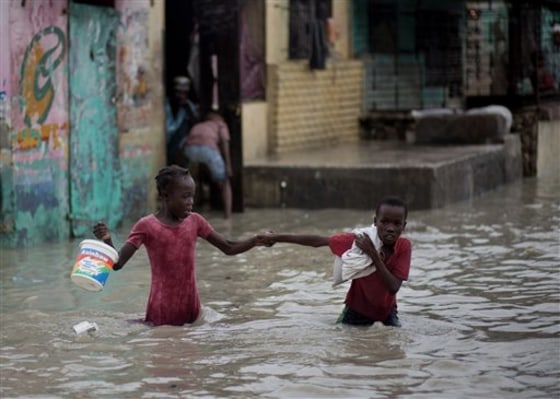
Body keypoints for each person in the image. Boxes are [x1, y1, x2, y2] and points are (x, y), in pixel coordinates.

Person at [92, 165, 270, 327]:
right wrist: (107, 239)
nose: (190, 201)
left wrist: (255, 241)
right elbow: (117, 264)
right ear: (165, 195)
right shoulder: (146, 226)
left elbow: (228, 247)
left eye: (192, 196)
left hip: (192, 312)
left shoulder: (196, 221)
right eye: (185, 196)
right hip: (161, 316)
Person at [260, 196, 411, 327]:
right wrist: (277, 237)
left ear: (404, 226)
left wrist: (373, 254)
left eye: (397, 224)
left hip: (387, 314)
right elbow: (318, 241)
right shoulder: (359, 241)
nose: (390, 228)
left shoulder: (404, 247)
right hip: (356, 312)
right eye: (384, 222)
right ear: (375, 221)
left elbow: (393, 287)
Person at [181, 111, 233, 219]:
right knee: (225, 181)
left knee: (188, 182)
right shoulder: (221, 124)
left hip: (190, 150)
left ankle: (185, 213)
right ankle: (227, 215)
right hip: (208, 149)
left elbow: (185, 142)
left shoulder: (199, 125)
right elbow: (224, 143)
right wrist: (228, 165)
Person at [165, 76, 199, 165]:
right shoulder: (165, 104)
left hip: (178, 145)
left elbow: (195, 125)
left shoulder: (188, 105)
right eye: (178, 93)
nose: (181, 96)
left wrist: (187, 108)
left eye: (184, 93)